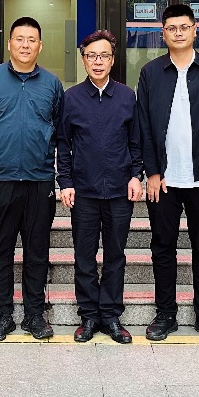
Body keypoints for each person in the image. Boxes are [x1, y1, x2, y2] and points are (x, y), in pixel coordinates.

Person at [136, 3, 199, 344]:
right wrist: (151, 171)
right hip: (163, 180)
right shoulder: (150, 73)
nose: (178, 33)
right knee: (162, 247)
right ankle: (166, 313)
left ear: (195, 30)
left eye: (184, 27)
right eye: (171, 28)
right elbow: (143, 126)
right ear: (162, 33)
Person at [0, 17, 65, 341]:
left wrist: (44, 154)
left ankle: (34, 315)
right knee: (0, 249)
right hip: (1, 178)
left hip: (40, 180)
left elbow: (59, 127)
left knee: (37, 251)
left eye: (31, 40)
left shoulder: (52, 84)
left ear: (40, 45)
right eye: (20, 39)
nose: (25, 45)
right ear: (9, 43)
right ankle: (2, 315)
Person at [56, 30, 144, 344]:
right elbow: (63, 144)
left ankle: (111, 315)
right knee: (84, 256)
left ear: (112, 59)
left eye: (103, 56)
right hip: (83, 191)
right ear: (83, 60)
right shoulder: (71, 98)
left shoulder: (127, 96)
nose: (97, 61)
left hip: (120, 190)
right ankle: (89, 316)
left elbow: (136, 141)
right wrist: (65, 182)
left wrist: (136, 175)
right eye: (91, 56)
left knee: (115, 255)